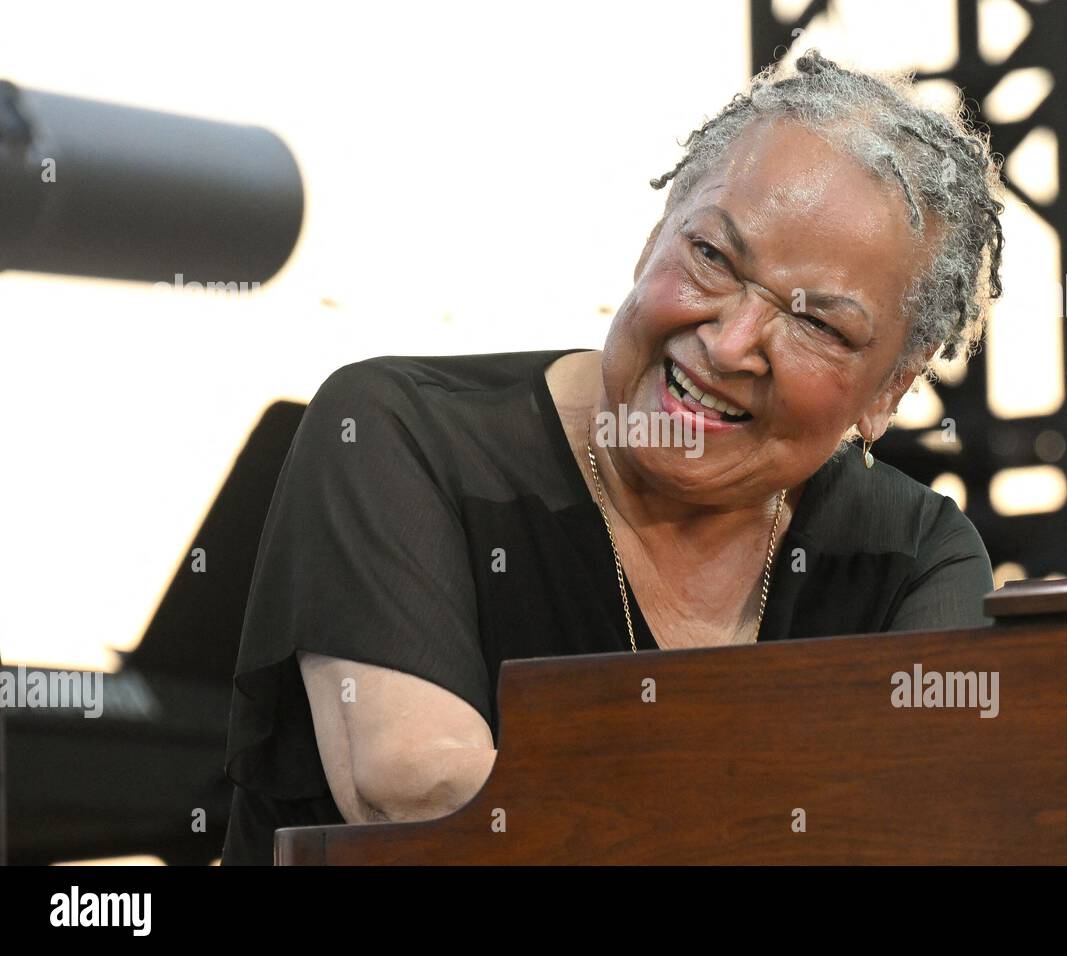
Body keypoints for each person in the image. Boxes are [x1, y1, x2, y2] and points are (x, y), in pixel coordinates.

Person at [220, 49, 1005, 865]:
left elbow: (935, 828)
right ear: (652, 237)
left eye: (817, 324)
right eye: (711, 257)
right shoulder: (400, 434)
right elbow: (422, 795)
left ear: (890, 391)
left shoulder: (913, 557)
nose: (732, 343)